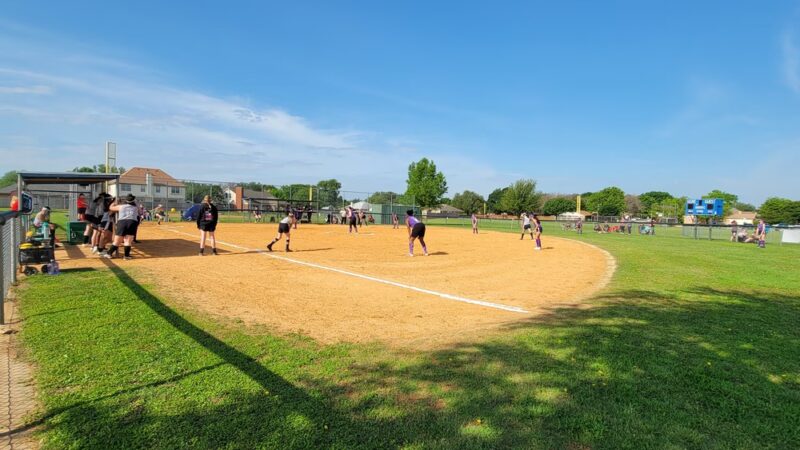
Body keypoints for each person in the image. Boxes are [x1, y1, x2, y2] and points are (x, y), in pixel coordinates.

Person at [102, 194, 139, 260]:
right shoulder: (135, 207)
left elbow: (111, 208)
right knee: (128, 240)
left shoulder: (121, 206)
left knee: (117, 240)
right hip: (132, 222)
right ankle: (126, 256)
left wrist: (114, 202)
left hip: (122, 222)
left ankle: (109, 254)